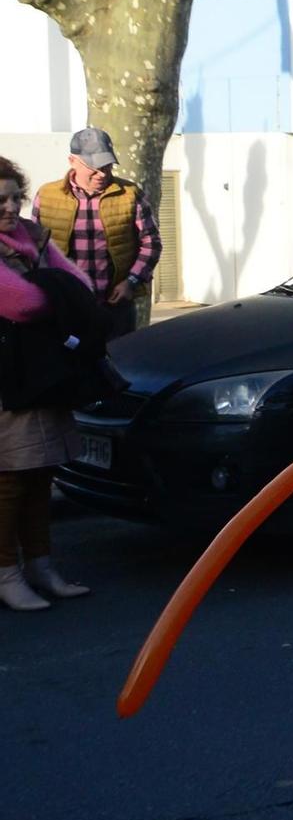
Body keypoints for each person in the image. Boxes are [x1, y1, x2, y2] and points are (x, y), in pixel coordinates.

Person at [0, 156, 90, 612]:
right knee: (10, 480)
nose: (11, 207)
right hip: (8, 384)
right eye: (0, 200)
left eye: (16, 197)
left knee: (40, 475)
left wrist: (58, 291)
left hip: (43, 374)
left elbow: (82, 284)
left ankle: (40, 566)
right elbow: (22, 303)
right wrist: (60, 294)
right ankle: (7, 574)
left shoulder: (32, 236)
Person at [32, 127, 161, 338]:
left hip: (116, 306)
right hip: (67, 305)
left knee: (118, 365)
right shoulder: (46, 195)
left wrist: (131, 281)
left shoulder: (130, 194)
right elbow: (35, 248)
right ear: (72, 161)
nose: (103, 173)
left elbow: (151, 243)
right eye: (94, 166)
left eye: (108, 165)